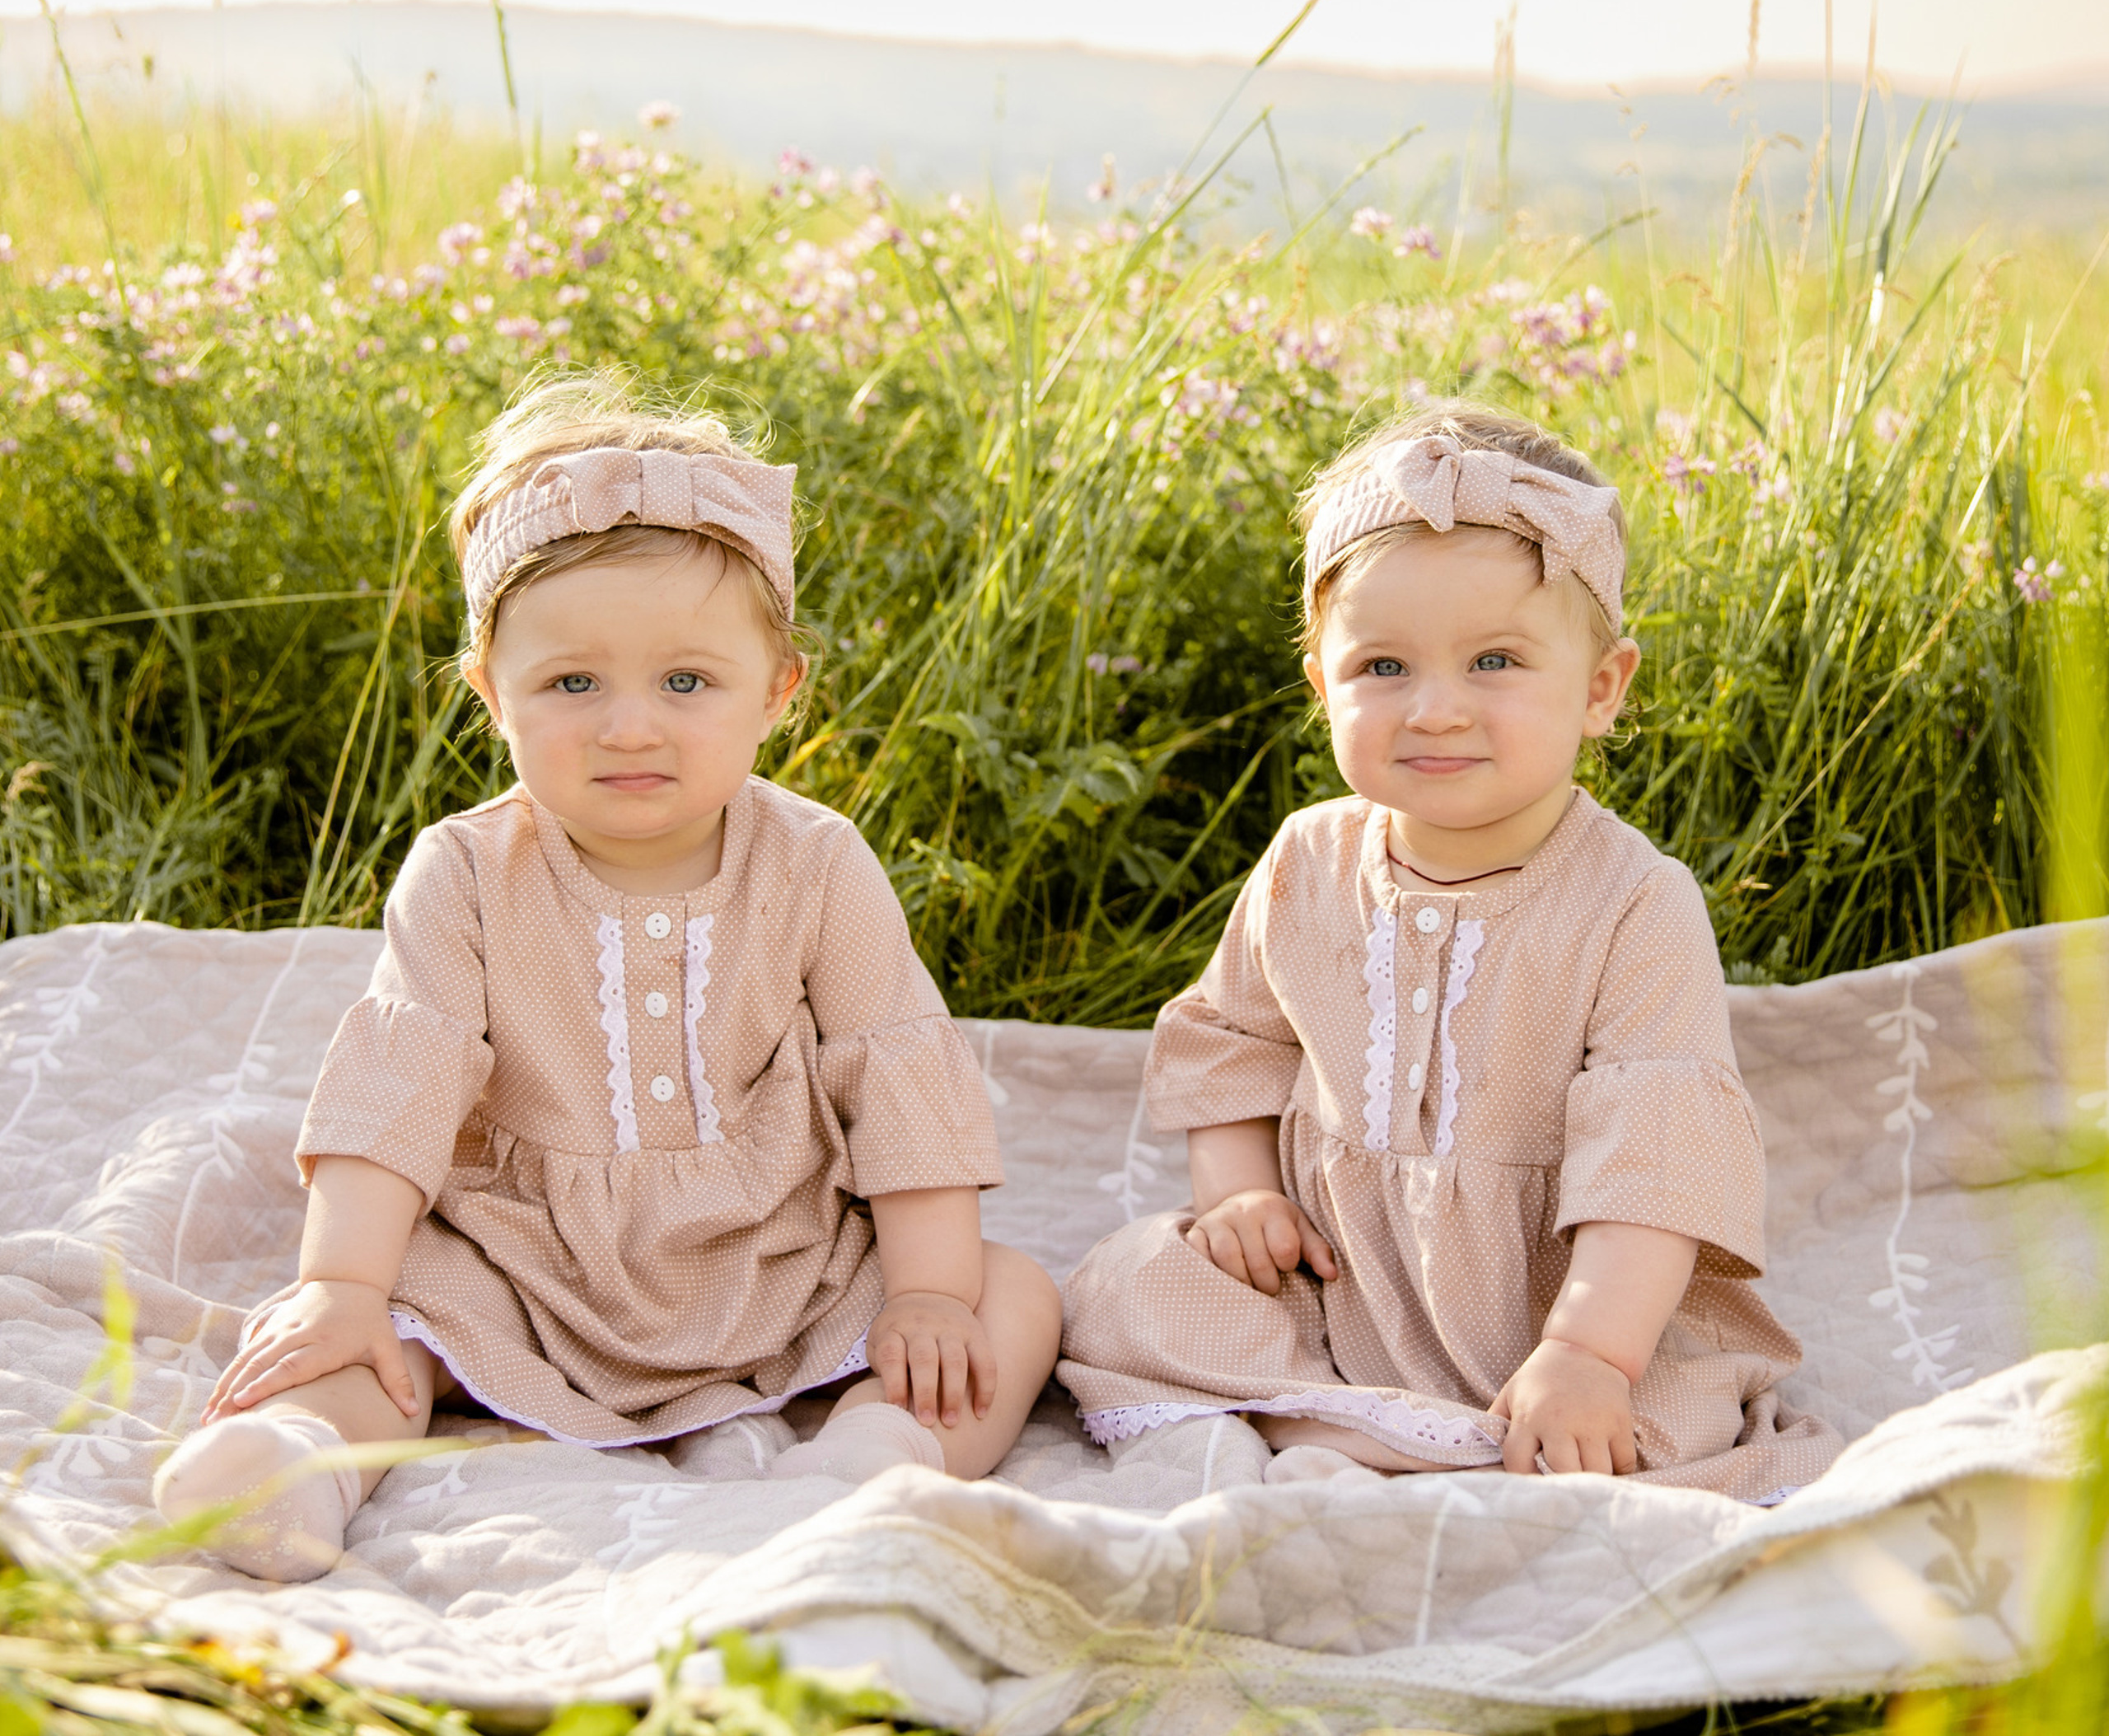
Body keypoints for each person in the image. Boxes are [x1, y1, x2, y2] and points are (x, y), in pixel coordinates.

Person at [154, 378, 1061, 1579]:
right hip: (529, 1260)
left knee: (1009, 1297)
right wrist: (341, 1282)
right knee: (390, 1324)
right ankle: (297, 1459)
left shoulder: (816, 862)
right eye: (572, 685)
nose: (630, 728)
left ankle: (880, 1458)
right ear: (492, 696)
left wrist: (929, 1295)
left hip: (779, 1249)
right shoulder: (467, 872)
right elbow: (402, 1080)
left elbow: (896, 1073)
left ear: (777, 692)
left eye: (687, 683)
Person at [1058, 402, 1839, 1500]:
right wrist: (1238, 1195)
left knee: (1677, 1398)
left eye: (1495, 661)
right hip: (1341, 1278)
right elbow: (1233, 1039)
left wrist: (1591, 1354)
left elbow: (1655, 1170)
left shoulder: (1635, 903)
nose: (1435, 710)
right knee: (1126, 1289)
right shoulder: (1307, 860)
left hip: (1557, 1293)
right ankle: (1365, 1415)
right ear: (1322, 686)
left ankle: (1451, 1428)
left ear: (1602, 689)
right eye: (1383, 667)